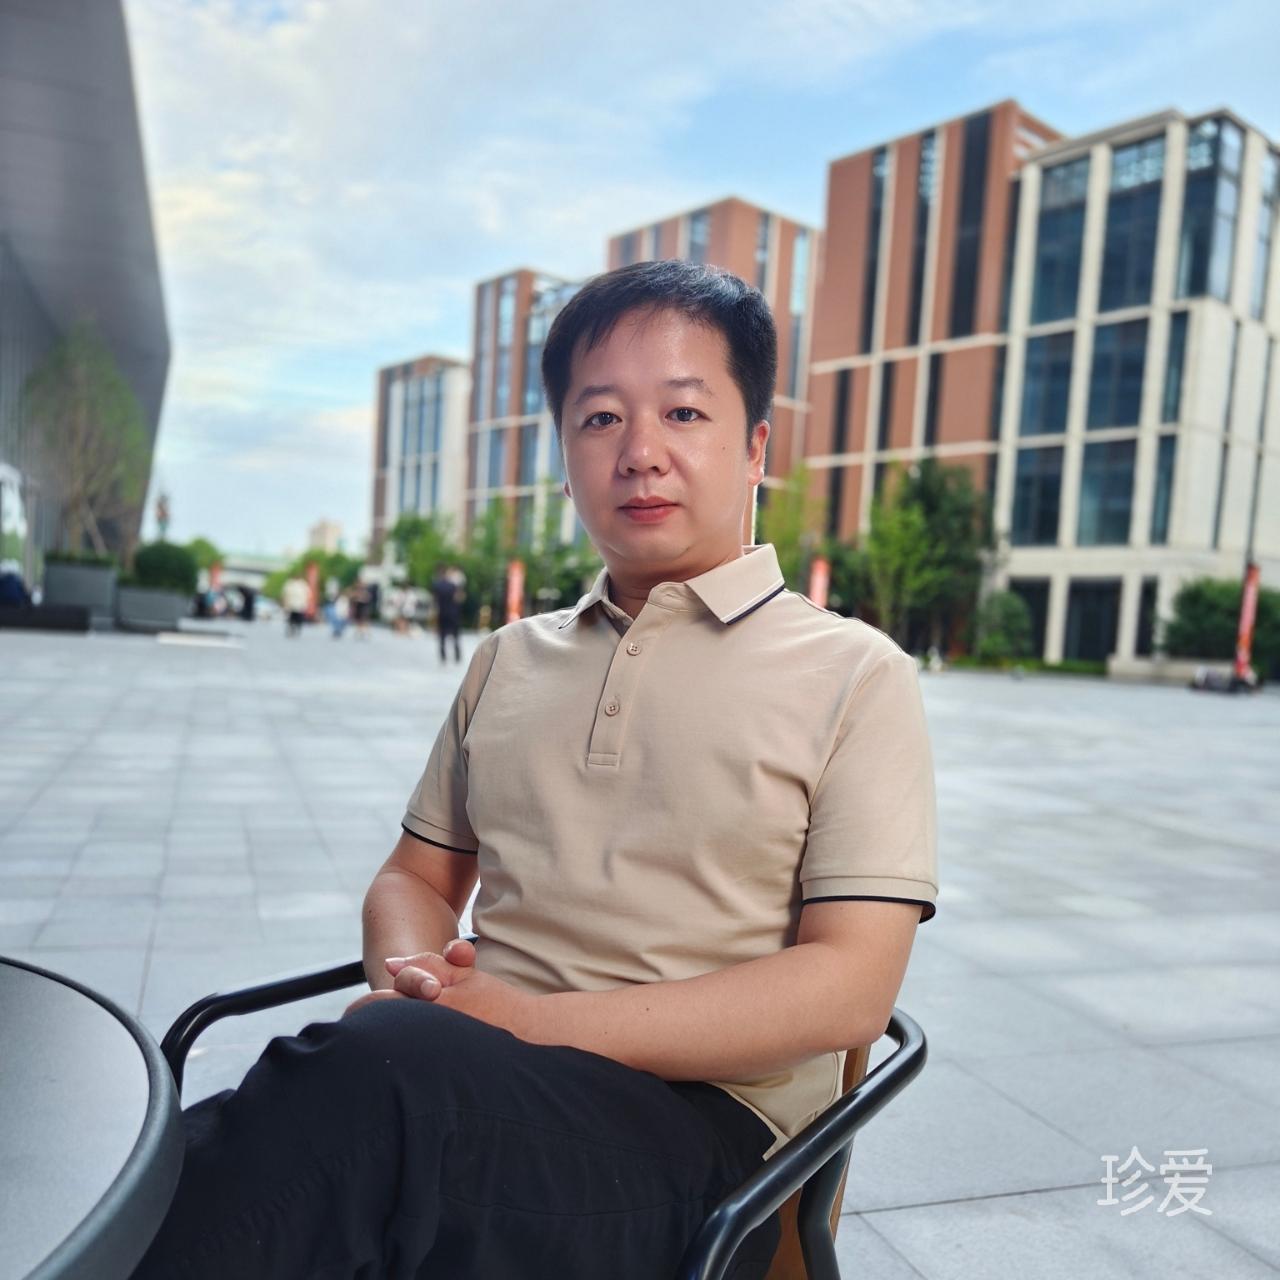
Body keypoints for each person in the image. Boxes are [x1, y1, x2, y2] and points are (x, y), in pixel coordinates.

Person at [133, 261, 938, 1280]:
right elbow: (415, 877)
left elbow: (849, 988)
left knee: (366, 1099)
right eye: (600, 419)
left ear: (754, 448)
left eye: (684, 412)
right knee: (337, 1122)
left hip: (704, 1147)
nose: (640, 452)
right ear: (563, 457)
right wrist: (418, 980)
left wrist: (524, 1023)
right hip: (467, 1087)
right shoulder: (509, 659)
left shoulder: (855, 674)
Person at [430, 561, 464, 664]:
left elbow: (434, 600)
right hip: (453, 613)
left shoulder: (437, 585)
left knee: (442, 636)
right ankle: (457, 655)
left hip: (442, 613)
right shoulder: (453, 585)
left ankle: (443, 656)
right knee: (456, 635)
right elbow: (459, 598)